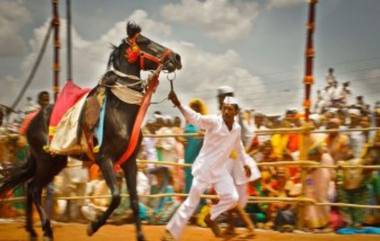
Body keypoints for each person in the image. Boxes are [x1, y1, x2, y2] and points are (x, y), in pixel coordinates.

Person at [162, 91, 253, 241]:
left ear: (236, 112)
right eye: (224, 108)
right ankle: (171, 233)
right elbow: (196, 118)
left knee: (232, 197)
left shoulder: (236, 129)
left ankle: (211, 217)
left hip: (219, 170)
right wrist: (178, 104)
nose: (226, 111)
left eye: (230, 108)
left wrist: (246, 164)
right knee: (191, 203)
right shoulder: (214, 121)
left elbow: (239, 147)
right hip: (204, 168)